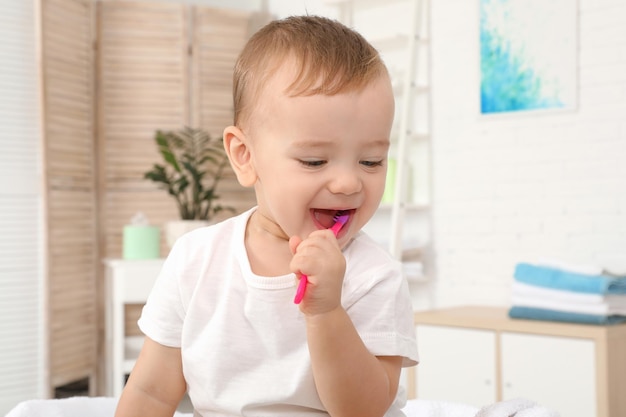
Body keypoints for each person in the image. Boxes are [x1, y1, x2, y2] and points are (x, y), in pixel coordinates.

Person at [115, 15, 418, 417]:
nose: (348, 183)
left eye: (371, 160)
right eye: (314, 160)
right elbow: (152, 393)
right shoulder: (196, 260)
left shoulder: (374, 275)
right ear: (245, 156)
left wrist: (326, 311)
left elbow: (363, 410)